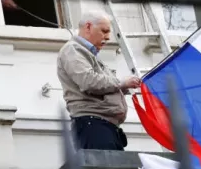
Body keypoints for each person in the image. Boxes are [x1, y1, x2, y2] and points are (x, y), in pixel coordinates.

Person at [57, 10, 141, 151]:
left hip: (100, 125)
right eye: (104, 31)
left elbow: (97, 84)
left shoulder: (86, 53)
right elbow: (88, 81)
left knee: (111, 165)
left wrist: (122, 87)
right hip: (94, 125)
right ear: (88, 27)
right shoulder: (72, 50)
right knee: (107, 165)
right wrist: (121, 83)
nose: (108, 37)